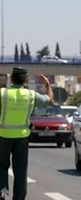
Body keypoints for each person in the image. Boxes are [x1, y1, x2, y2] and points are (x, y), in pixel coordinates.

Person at [0, 67, 54, 200]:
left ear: (11, 79)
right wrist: (47, 84)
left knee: (1, 166)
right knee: (20, 171)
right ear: (25, 80)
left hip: (3, 136)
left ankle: (2, 190)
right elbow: (50, 100)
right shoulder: (31, 95)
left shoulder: (2, 93)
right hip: (22, 137)